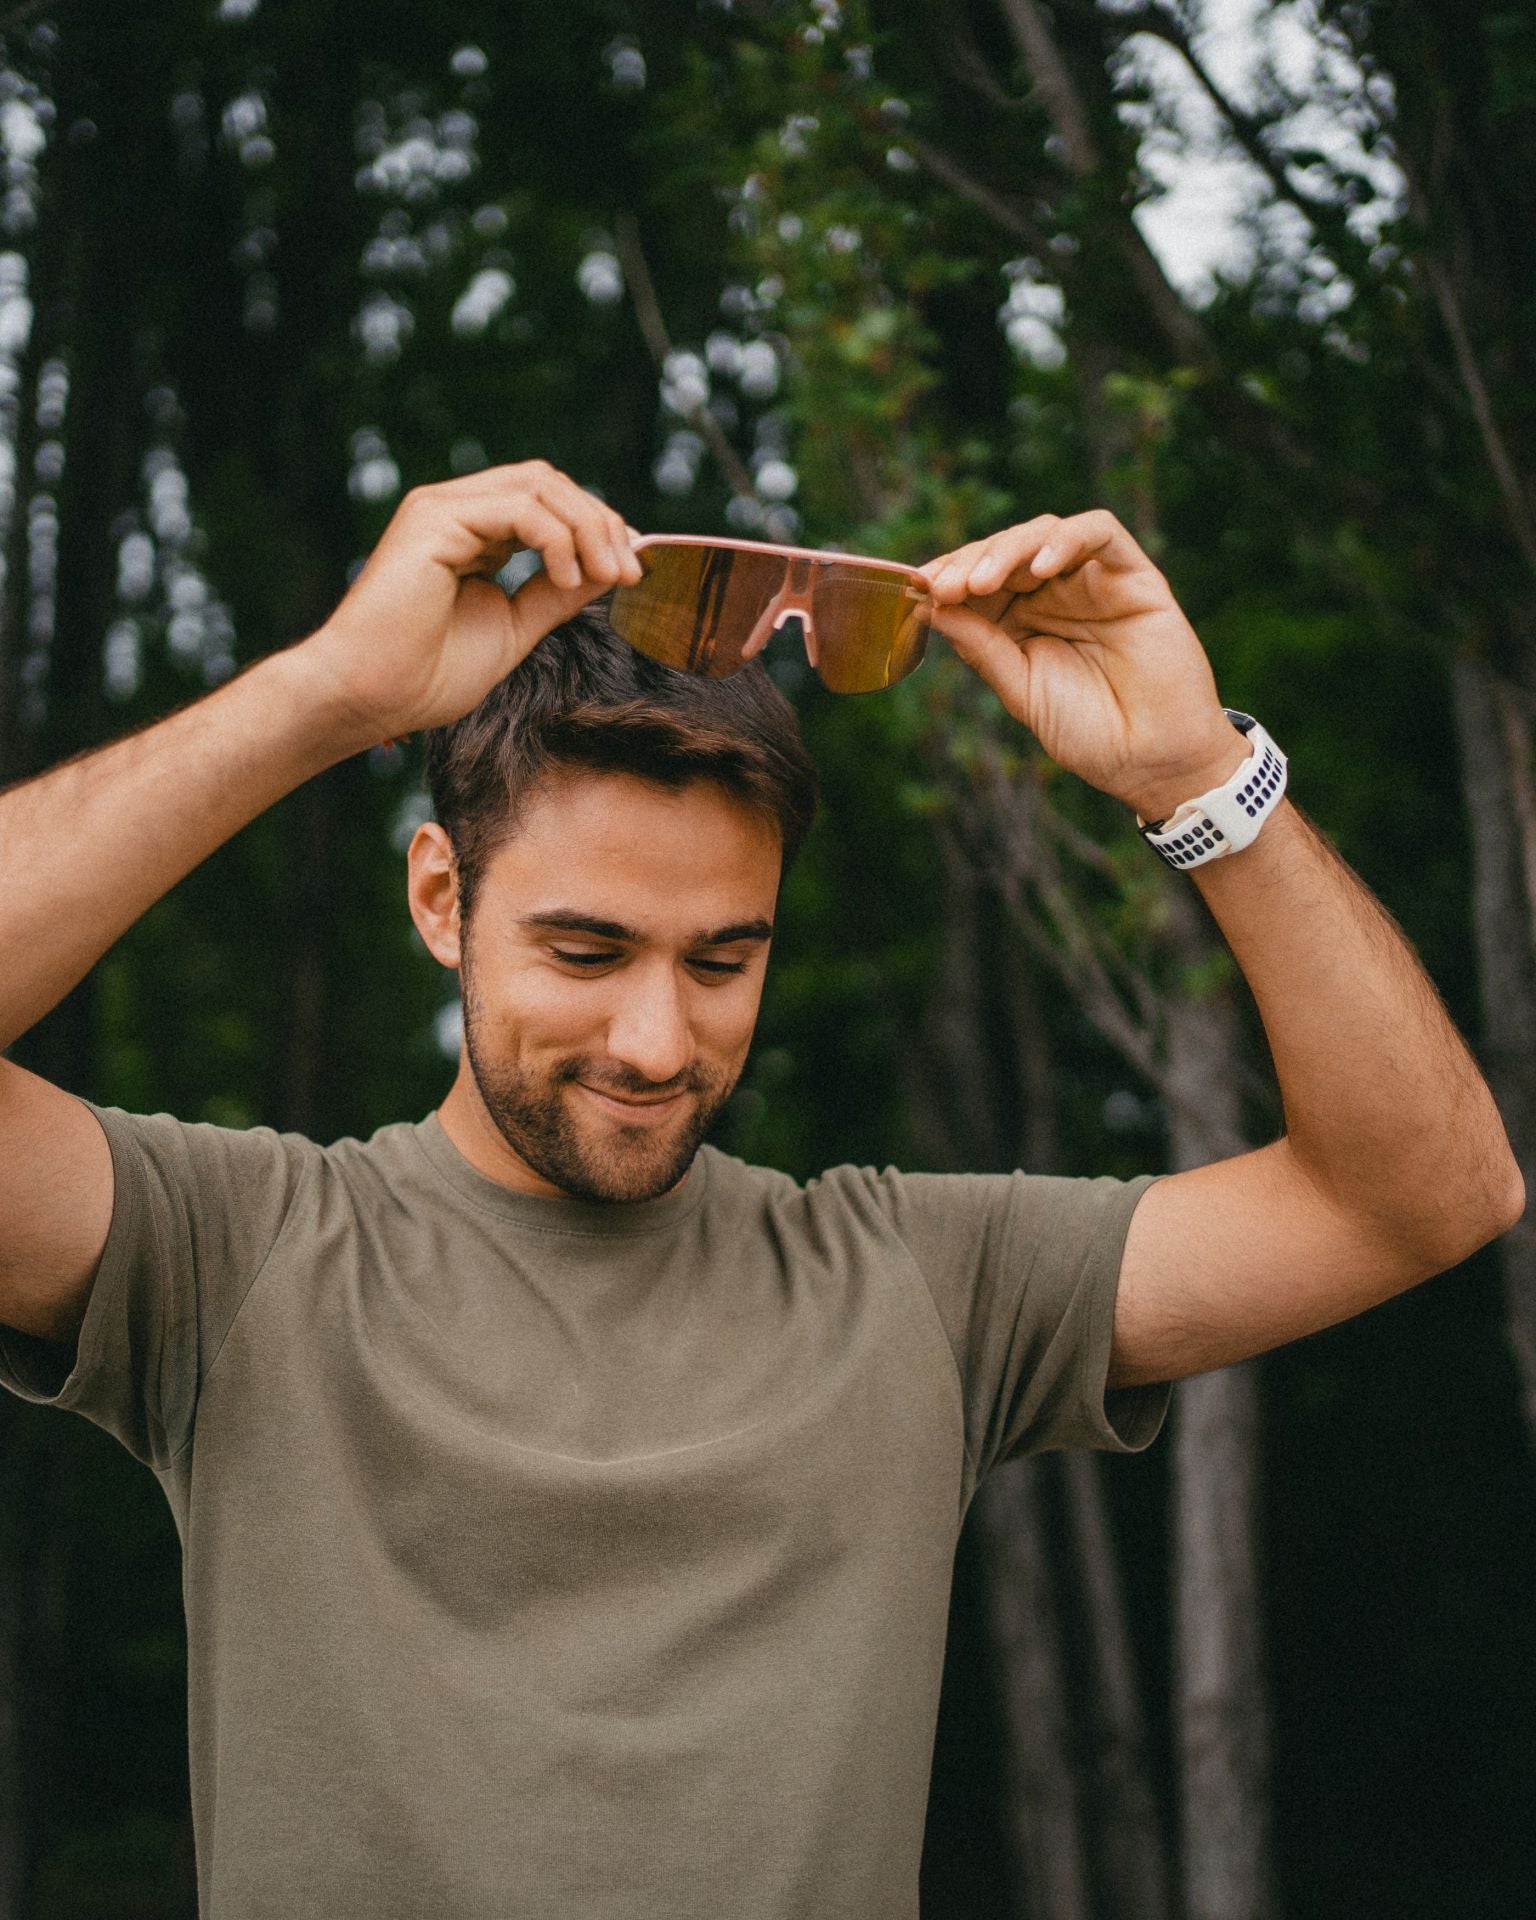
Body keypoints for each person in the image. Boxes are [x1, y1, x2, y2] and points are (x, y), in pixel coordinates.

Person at [0, 461, 1520, 1919]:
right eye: (586, 951)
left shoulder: (921, 1285)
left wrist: (1200, 776)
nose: (657, 1042)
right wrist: (330, 692)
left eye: (723, 962)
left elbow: (1424, 1197)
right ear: (442, 899)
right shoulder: (235, 1254)